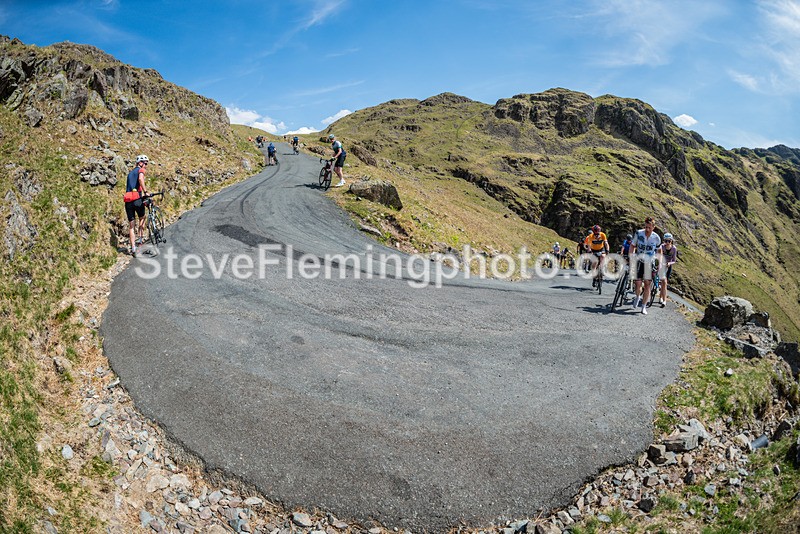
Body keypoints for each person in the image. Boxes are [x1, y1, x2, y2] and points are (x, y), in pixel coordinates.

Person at [630, 216, 661, 315]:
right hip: (639, 259)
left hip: (649, 261)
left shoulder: (656, 237)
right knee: (638, 283)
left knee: (647, 284)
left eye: (649, 227)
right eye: (646, 227)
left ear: (653, 227)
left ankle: (643, 306)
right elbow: (632, 246)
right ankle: (637, 296)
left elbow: (659, 250)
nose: (647, 229)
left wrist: (659, 262)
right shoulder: (639, 233)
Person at [124, 154, 150, 255]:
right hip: (137, 199)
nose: (146, 165)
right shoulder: (141, 170)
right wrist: (146, 191)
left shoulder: (130, 173)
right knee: (142, 218)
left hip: (128, 200)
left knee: (131, 225)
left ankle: (133, 248)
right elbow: (140, 179)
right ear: (140, 163)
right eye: (145, 163)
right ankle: (140, 240)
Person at [658, 233, 678, 307]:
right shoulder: (662, 247)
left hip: (668, 266)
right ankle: (662, 299)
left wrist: (669, 263)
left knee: (664, 283)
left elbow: (674, 260)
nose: (667, 243)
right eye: (665, 241)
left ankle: (662, 298)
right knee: (663, 282)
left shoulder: (674, 248)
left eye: (669, 241)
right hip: (661, 265)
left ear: (671, 241)